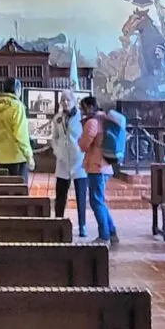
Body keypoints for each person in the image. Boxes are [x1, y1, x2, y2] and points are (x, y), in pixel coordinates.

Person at [79, 95, 119, 246]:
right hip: (105, 165)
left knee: (96, 201)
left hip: (96, 166)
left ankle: (104, 236)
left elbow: (83, 145)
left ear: (89, 107)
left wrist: (79, 138)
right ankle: (112, 232)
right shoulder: (104, 119)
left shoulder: (92, 122)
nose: (81, 111)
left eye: (82, 108)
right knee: (100, 200)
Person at [0, 77, 35, 180]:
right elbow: (21, 135)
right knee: (19, 192)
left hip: (0, 157)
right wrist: (29, 156)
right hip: (17, 159)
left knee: (3, 192)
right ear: (18, 90)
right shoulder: (17, 107)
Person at [50, 89, 87, 235]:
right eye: (63, 100)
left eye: (68, 100)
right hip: (63, 160)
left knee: (81, 196)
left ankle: (82, 225)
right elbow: (54, 137)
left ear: (74, 101)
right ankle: (58, 221)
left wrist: (81, 151)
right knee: (60, 195)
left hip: (79, 161)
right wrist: (57, 151)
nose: (65, 102)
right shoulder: (58, 118)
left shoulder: (82, 117)